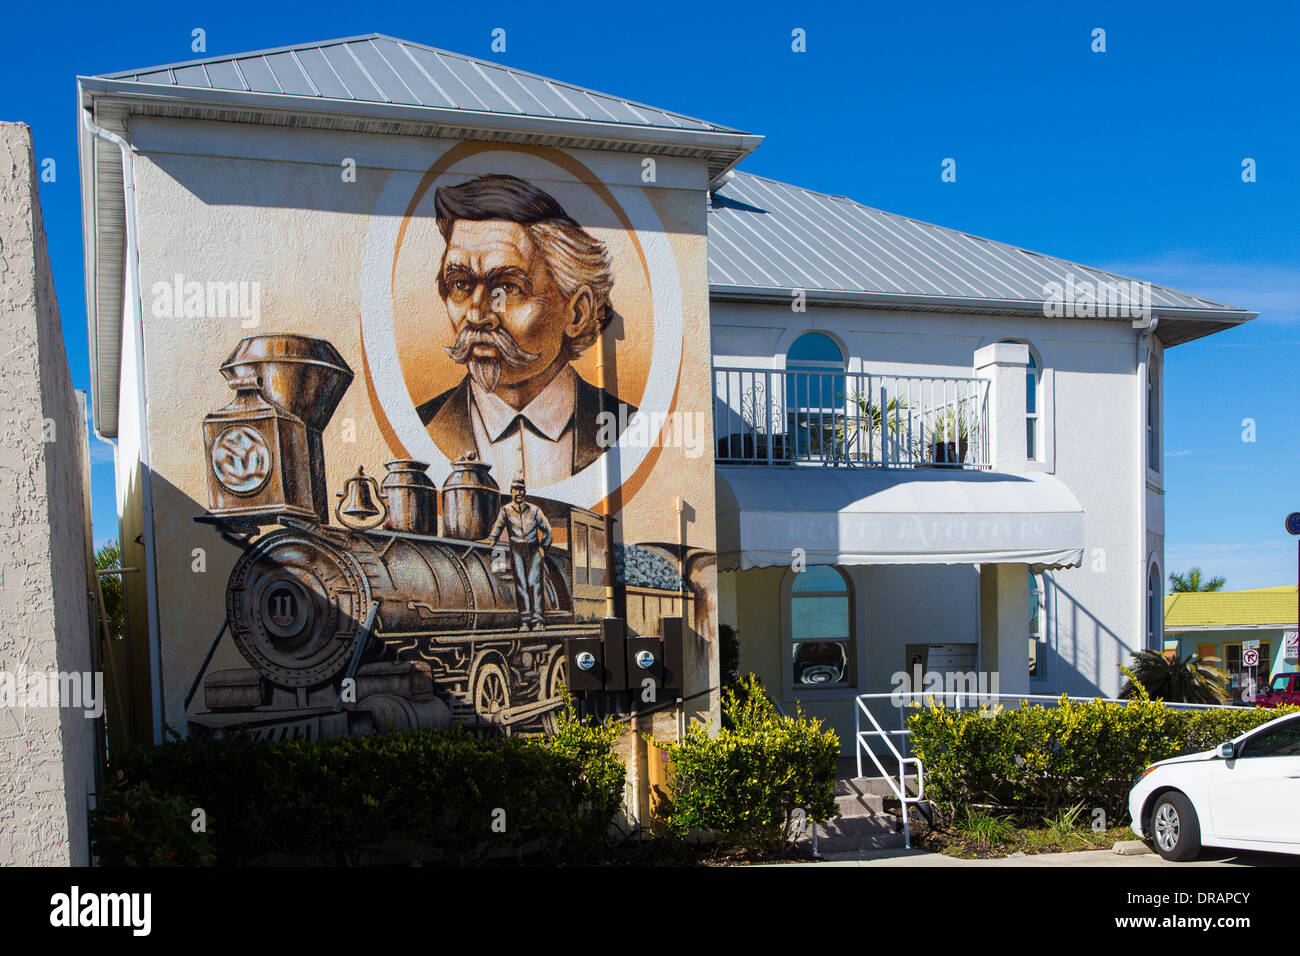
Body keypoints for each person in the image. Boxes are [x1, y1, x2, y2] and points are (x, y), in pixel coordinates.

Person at [417, 174, 637, 487]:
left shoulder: (629, 428)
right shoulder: (424, 425)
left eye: (507, 287)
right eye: (461, 285)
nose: (477, 314)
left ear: (576, 312)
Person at [482, 477, 553, 631]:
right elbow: (496, 530)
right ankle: (525, 621)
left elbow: (548, 531)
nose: (518, 492)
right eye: (515, 489)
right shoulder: (505, 510)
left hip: (533, 549)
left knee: (535, 583)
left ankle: (538, 620)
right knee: (521, 584)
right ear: (511, 491)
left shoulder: (535, 510)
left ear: (525, 492)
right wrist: (489, 541)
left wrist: (543, 549)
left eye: (521, 489)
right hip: (516, 550)